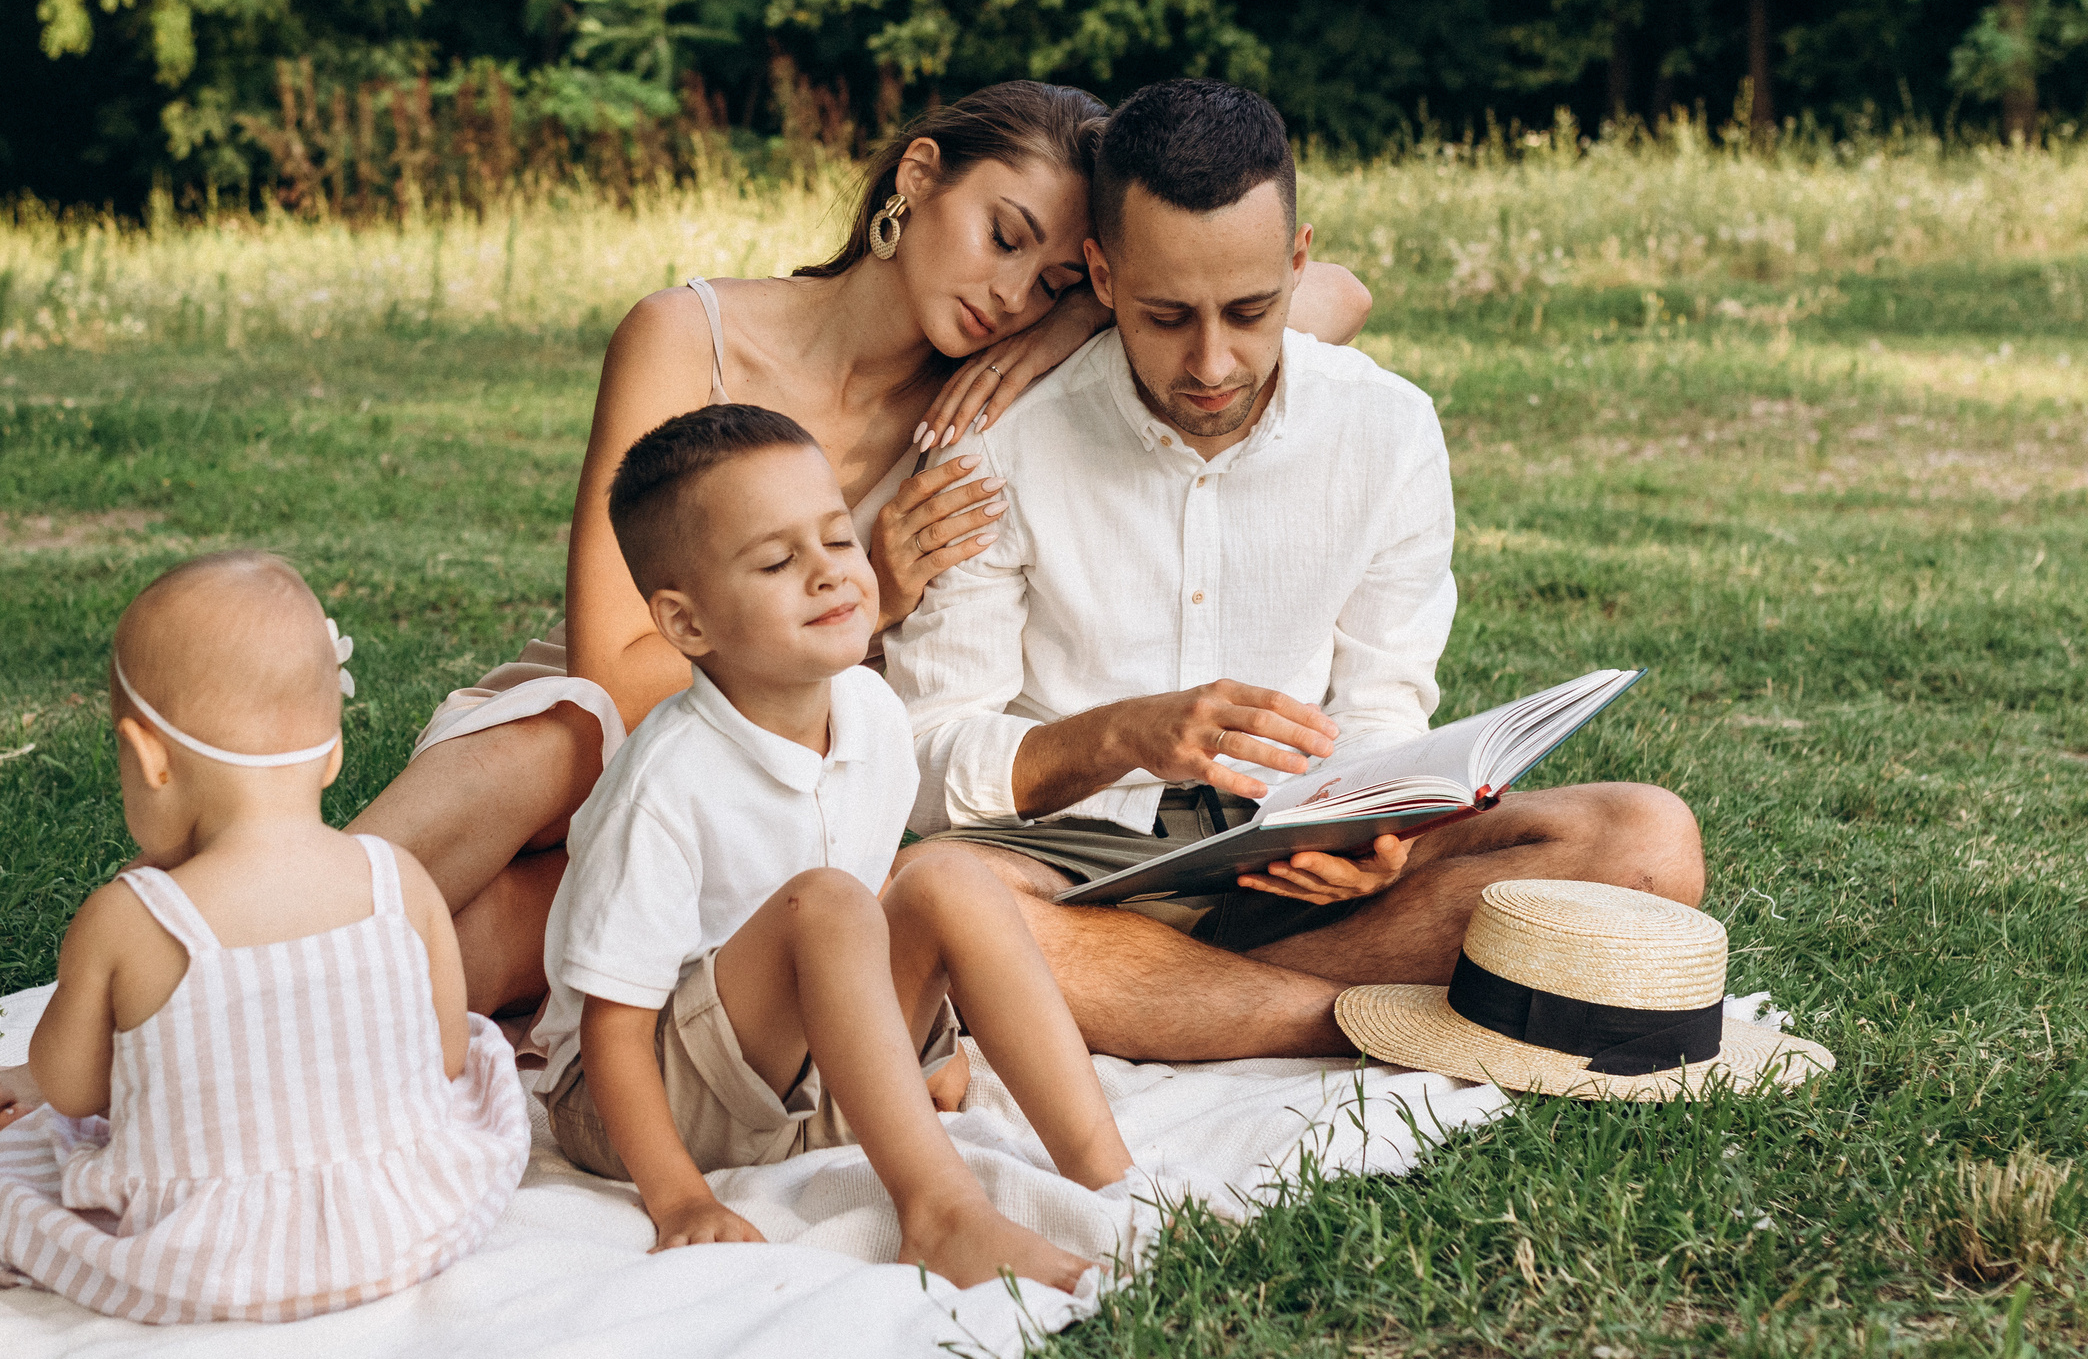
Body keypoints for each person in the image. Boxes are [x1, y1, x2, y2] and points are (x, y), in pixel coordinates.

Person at [350, 82, 1374, 1025]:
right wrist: (871, 590)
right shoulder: (686, 336)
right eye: (1002, 237)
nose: (1011, 295)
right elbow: (614, 674)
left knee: (530, 924)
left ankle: (288, 1007)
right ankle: (280, 919)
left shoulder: (982, 402)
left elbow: (1329, 290)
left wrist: (1066, 330)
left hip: (778, 771)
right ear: (916, 176)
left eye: (1055, 279)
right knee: (552, 743)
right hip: (604, 714)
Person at [884, 80, 1706, 1063]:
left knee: (1646, 838)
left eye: (1250, 309)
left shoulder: (1385, 427)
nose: (1212, 362)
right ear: (1100, 277)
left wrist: (1376, 832)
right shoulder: (998, 445)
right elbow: (928, 758)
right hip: (1074, 860)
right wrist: (1121, 735)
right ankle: (1343, 1016)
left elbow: (1381, 707)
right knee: (928, 899)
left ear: (1298, 261)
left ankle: (1160, 998)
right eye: (1164, 316)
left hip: (1294, 857)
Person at [533, 404, 1132, 1292]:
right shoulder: (666, 781)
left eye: (838, 539)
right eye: (778, 561)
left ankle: (1112, 1177)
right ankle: (942, 1214)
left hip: (798, 1072)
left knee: (947, 878)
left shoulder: (872, 713)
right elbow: (612, 1030)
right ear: (687, 623)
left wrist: (925, 1044)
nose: (830, 575)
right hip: (640, 1099)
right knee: (830, 898)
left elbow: (866, 927)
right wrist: (680, 1199)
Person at [0, 552, 529, 1323]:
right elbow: (444, 1056)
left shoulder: (131, 915)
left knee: (25, 1172)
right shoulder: (396, 877)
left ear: (147, 757)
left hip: (204, 1255)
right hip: (400, 1225)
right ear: (333, 750)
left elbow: (67, 1088)